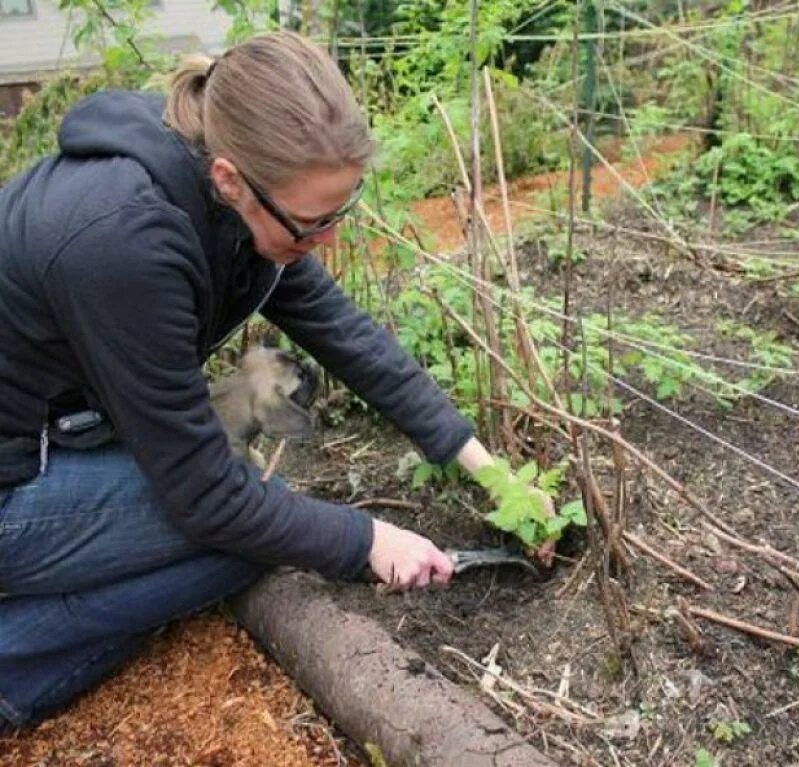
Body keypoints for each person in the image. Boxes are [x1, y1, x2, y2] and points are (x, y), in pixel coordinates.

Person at [0, 31, 524, 732]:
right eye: (313, 223)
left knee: (260, 520)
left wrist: (486, 469)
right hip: (14, 478)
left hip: (51, 429)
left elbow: (348, 334)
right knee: (245, 535)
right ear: (228, 180)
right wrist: (367, 540)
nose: (328, 239)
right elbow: (206, 499)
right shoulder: (121, 241)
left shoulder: (236, 188)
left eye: (340, 211)